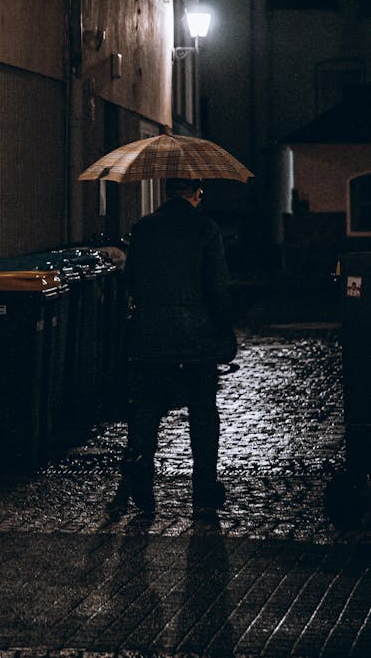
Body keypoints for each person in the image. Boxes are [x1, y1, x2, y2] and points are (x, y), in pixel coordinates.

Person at [119, 177, 236, 518]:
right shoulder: (206, 230)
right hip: (196, 339)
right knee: (202, 412)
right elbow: (217, 288)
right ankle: (204, 488)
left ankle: (140, 461)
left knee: (146, 408)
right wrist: (224, 331)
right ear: (196, 192)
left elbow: (131, 282)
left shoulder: (143, 229)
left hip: (150, 337)